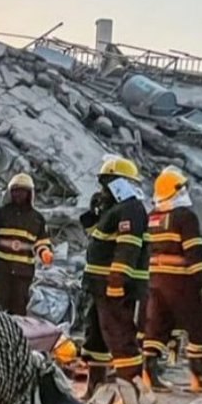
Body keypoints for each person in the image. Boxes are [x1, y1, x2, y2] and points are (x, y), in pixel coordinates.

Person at [143, 167, 202, 393]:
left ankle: (149, 376)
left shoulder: (153, 217)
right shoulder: (185, 217)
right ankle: (199, 378)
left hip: (155, 280)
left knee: (157, 325)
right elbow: (195, 254)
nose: (185, 192)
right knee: (198, 326)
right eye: (181, 188)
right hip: (182, 282)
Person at [81, 156, 149, 390]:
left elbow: (127, 246)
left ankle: (132, 390)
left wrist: (117, 280)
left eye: (106, 183)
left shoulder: (131, 209)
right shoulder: (115, 210)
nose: (103, 189)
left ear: (119, 183)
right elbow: (99, 237)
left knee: (119, 335)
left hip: (115, 286)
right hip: (99, 285)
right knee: (97, 335)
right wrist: (93, 214)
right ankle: (96, 386)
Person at [0, 173, 54, 317]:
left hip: (23, 272)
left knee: (18, 309)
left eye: (23, 191)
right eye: (16, 190)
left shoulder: (37, 218)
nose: (19, 194)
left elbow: (41, 241)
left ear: (30, 193)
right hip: (0, 269)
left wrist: (44, 253)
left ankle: (14, 337)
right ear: (10, 192)